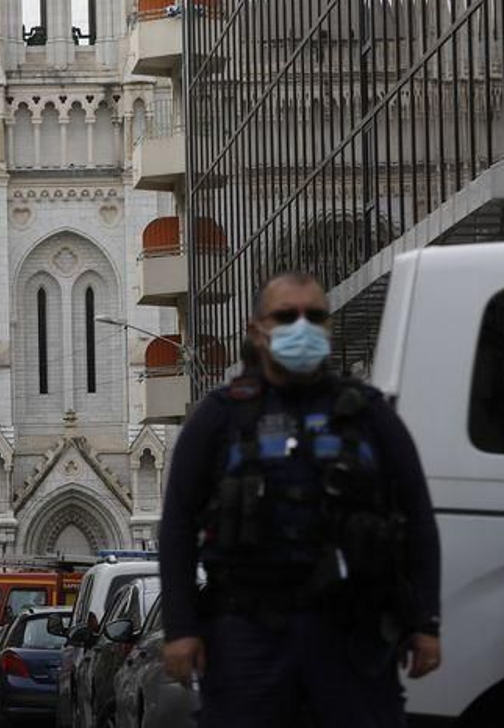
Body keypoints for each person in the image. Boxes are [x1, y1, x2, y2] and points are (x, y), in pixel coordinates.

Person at [157, 271, 442, 727]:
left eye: (315, 316)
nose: (302, 327)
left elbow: (418, 518)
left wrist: (426, 623)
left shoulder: (369, 414)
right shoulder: (220, 416)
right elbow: (177, 527)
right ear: (257, 330)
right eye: (286, 316)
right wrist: (181, 628)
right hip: (249, 637)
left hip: (352, 639)